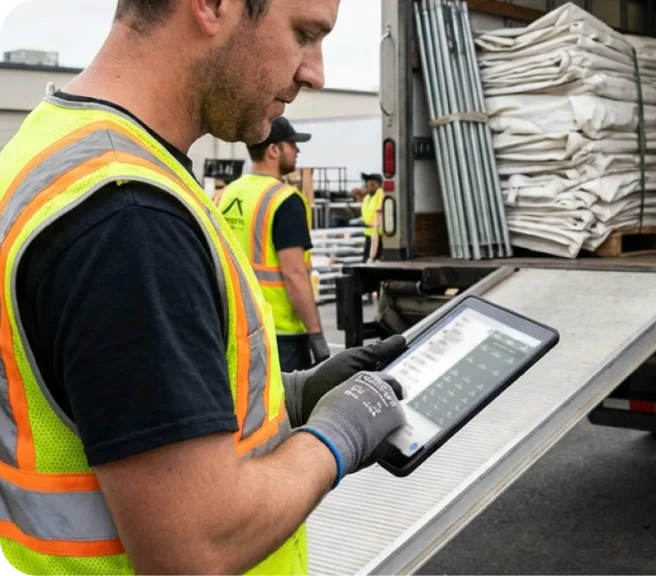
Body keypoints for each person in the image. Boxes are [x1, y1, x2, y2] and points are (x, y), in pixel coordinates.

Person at [0, 0, 408, 574]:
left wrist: (291, 397)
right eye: (303, 34)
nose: (315, 71)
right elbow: (197, 548)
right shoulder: (129, 216)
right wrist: (339, 436)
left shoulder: (57, 150)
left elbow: (105, 411)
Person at [217, 116, 331, 371]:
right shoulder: (284, 200)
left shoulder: (223, 196)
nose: (297, 150)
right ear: (273, 149)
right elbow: (294, 274)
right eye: (292, 144)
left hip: (232, 328)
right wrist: (316, 334)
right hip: (280, 333)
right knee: (284, 409)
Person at [351, 172, 384, 263]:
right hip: (369, 233)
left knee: (372, 258)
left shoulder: (380, 193)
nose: (369, 185)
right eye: (368, 183)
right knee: (366, 259)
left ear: (378, 184)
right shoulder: (368, 197)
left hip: (377, 233)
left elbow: (379, 208)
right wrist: (360, 196)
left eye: (372, 183)